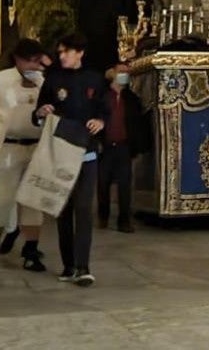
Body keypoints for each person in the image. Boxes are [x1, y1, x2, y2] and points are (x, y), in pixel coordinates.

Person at [35, 32, 108, 287]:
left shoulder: (95, 80)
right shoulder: (53, 80)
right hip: (60, 152)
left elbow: (104, 109)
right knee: (62, 209)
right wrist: (42, 111)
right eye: (60, 52)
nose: (62, 56)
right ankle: (68, 265)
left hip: (86, 153)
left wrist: (100, 122)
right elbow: (39, 111)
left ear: (80, 53)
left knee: (84, 209)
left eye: (67, 51)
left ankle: (83, 266)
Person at [0, 39, 51, 271]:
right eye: (28, 60)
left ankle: (30, 249)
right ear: (17, 59)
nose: (32, 64)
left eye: (36, 60)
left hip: (37, 146)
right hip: (10, 146)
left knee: (34, 199)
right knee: (3, 198)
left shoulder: (45, 82)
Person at [98, 62, 146, 233]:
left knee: (125, 186)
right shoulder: (102, 96)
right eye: (121, 72)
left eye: (127, 72)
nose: (124, 75)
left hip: (124, 147)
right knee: (103, 183)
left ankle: (124, 221)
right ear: (113, 73)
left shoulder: (132, 98)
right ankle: (103, 216)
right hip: (105, 147)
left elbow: (137, 124)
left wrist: (137, 147)